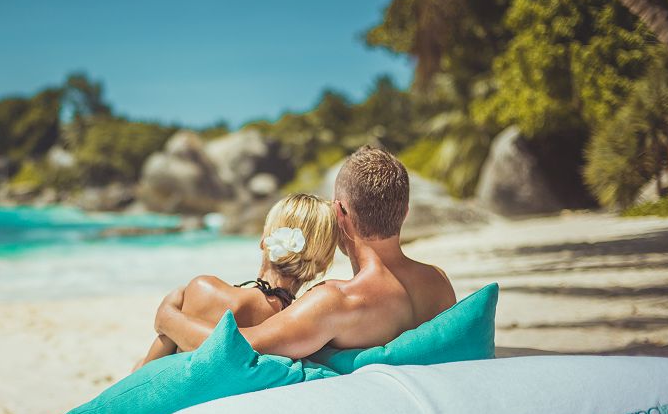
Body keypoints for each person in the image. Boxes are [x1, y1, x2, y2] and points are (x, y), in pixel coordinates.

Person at [154, 145, 457, 360]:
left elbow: (237, 347)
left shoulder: (337, 301)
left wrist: (169, 318)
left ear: (340, 213)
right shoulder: (439, 283)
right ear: (404, 212)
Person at [134, 193, 338, 369]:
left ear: (263, 241)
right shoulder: (299, 325)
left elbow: (146, 374)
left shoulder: (206, 289)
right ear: (322, 265)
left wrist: (167, 316)